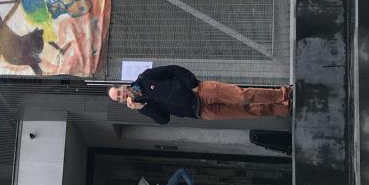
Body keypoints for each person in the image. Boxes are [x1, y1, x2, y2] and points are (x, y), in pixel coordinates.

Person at [107, 64, 292, 124]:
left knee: (242, 96)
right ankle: (282, 109)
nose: (122, 96)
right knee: (246, 111)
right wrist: (142, 107)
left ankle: (282, 94)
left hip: (202, 92)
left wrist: (192, 84)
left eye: (119, 92)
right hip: (200, 112)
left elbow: (173, 70)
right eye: (119, 98)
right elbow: (164, 120)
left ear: (123, 86)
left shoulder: (145, 78)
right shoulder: (143, 106)